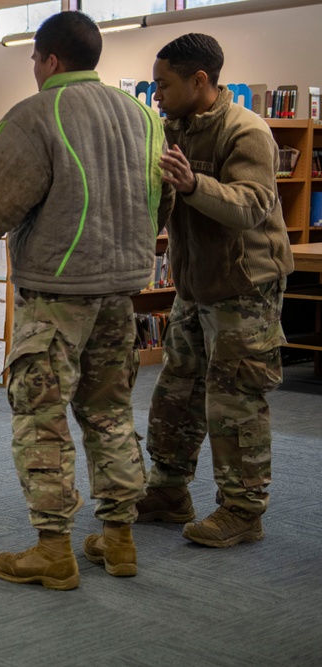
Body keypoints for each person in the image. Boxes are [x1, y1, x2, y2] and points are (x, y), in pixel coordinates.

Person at [0, 11, 171, 590]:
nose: (31, 68)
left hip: (55, 300)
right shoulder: (145, 119)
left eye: (33, 58)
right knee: (110, 414)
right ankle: (120, 539)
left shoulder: (37, 115)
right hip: (121, 295)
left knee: (42, 420)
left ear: (49, 60)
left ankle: (54, 550)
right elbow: (161, 204)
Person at [136, 33, 293, 547]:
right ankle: (168, 489)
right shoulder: (171, 129)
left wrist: (191, 186)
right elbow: (164, 205)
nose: (155, 93)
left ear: (198, 81)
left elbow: (250, 206)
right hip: (195, 287)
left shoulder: (246, 132)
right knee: (176, 393)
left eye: (163, 83)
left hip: (245, 290)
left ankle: (243, 511)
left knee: (235, 403)